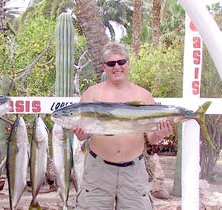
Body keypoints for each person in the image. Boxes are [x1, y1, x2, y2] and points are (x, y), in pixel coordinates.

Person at [72, 42, 174, 210]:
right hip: (98, 171)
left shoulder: (143, 95)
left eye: (121, 62)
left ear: (128, 64)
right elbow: (85, 134)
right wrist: (81, 135)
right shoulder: (91, 94)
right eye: (111, 63)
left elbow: (151, 137)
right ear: (104, 67)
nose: (117, 67)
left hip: (134, 171)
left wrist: (161, 134)